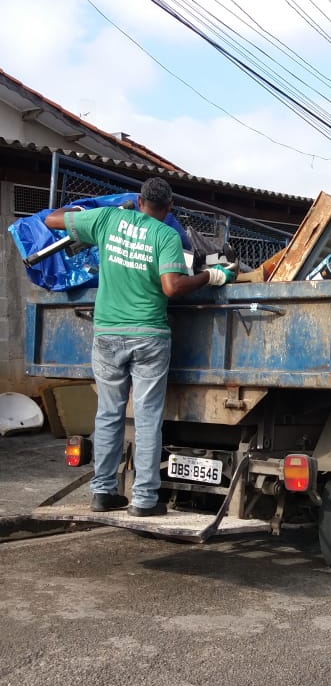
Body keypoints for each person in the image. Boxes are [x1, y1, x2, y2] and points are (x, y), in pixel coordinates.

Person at [45, 177, 236, 517]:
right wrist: (213, 276)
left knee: (108, 414)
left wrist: (85, 208)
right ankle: (144, 500)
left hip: (106, 334)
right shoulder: (165, 235)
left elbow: (51, 219)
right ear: (170, 208)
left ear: (138, 199)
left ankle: (103, 493)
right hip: (148, 336)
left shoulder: (107, 219)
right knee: (147, 420)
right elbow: (172, 287)